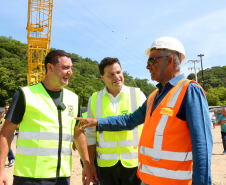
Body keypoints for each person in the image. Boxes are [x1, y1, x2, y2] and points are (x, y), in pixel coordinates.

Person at [76, 37, 213, 185]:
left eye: (152, 60)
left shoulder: (189, 91)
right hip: (149, 180)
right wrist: (97, 122)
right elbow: (129, 120)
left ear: (169, 61)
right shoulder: (154, 96)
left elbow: (202, 147)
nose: (148, 66)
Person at [0, 50, 91, 185]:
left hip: (62, 176)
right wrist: (1, 169)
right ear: (50, 67)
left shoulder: (74, 98)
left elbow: (78, 133)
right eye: (65, 67)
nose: (70, 72)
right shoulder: (25, 94)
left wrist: (87, 165)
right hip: (29, 177)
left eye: (71, 68)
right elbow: (6, 132)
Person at [85, 57, 146, 185]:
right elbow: (90, 134)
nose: (116, 77)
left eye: (118, 72)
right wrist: (91, 165)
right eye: (111, 74)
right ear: (102, 78)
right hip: (106, 165)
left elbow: (147, 129)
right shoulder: (94, 99)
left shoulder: (138, 95)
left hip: (134, 164)